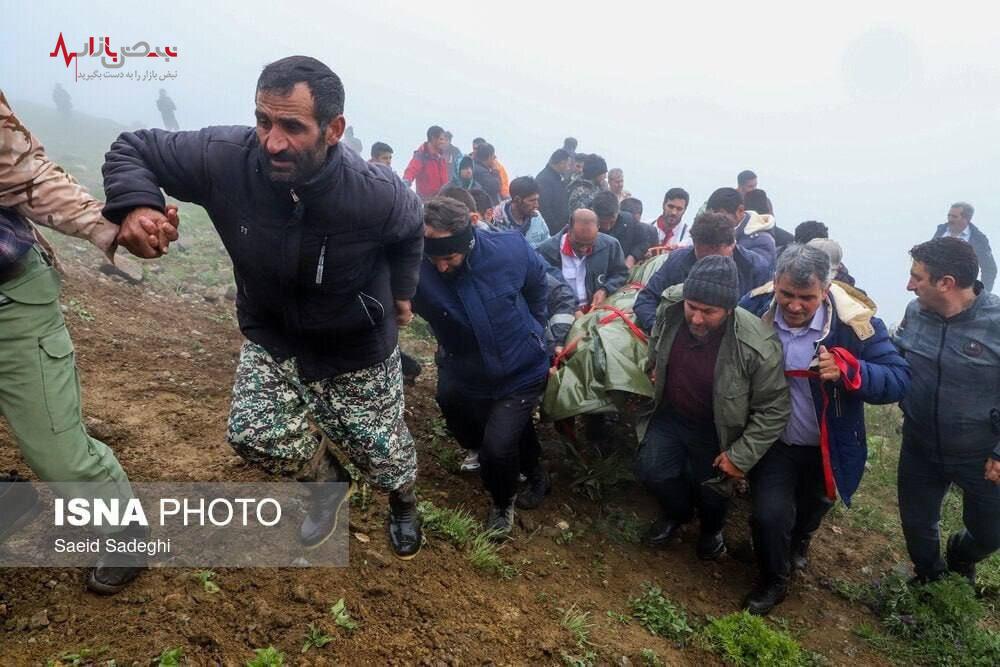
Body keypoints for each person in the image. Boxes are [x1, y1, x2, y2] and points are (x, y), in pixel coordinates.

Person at [102, 55, 425, 560]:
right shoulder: (224, 157)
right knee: (256, 435)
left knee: (382, 453)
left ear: (333, 129)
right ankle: (326, 485)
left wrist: (403, 291)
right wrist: (137, 204)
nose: (272, 141)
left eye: (292, 127)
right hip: (271, 333)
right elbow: (134, 148)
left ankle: (402, 500)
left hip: (355, 344)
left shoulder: (376, 194)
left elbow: (411, 230)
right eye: (263, 120)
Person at [0, 91, 180, 594]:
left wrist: (114, 226)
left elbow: (28, 175)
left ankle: (125, 534)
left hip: (9, 301)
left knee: (58, 453)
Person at [740, 244, 909, 615]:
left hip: (827, 444)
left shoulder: (855, 326)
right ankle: (774, 580)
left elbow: (898, 379)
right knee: (768, 515)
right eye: (786, 295)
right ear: (775, 284)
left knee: (814, 505)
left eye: (807, 298)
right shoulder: (754, 310)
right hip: (773, 440)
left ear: (826, 290)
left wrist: (853, 372)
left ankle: (801, 540)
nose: (795, 306)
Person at [412, 198, 551, 536]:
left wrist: (535, 325)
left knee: (499, 447)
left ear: (468, 238)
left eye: (450, 258)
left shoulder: (509, 250)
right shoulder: (413, 266)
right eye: (435, 258)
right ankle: (502, 455)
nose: (442, 267)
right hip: (464, 369)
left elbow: (538, 283)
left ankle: (504, 500)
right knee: (454, 406)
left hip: (520, 367)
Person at [636, 256, 789, 561]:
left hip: (718, 427)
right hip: (672, 414)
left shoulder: (757, 343)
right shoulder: (672, 306)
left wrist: (741, 456)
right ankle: (677, 515)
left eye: (709, 312)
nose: (696, 319)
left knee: (713, 488)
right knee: (652, 470)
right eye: (692, 307)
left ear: (730, 309)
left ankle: (711, 531)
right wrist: (652, 368)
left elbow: (774, 409)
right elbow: (657, 341)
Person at [894, 237, 1000, 586]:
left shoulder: (996, 322)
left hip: (980, 456)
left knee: (990, 532)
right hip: (920, 445)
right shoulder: (915, 313)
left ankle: (962, 554)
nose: (909, 286)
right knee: (917, 525)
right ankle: (932, 580)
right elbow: (897, 355)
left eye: (917, 278)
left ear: (946, 283)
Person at [634, 212, 771, 332]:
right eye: (703, 259)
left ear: (732, 244)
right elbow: (646, 299)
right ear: (694, 244)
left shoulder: (756, 269)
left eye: (716, 258)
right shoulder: (678, 260)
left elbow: (763, 320)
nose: (709, 267)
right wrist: (661, 332)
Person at [536, 208, 629, 314]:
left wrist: (605, 290)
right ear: (569, 229)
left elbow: (621, 274)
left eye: (589, 244)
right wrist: (572, 309)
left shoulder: (611, 245)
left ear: (598, 229)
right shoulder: (547, 251)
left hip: (598, 311)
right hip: (562, 311)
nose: (583, 249)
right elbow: (544, 288)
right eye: (578, 244)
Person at [705, 187, 777, 270]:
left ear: (740, 211)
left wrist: (732, 248)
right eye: (711, 217)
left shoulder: (762, 239)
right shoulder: (713, 234)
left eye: (721, 217)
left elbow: (761, 269)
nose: (716, 222)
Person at [932, 202, 996, 292]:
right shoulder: (940, 232)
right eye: (949, 216)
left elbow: (989, 269)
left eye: (954, 217)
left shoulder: (978, 240)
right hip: (937, 289)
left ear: (966, 219)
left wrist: (983, 295)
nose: (950, 219)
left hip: (961, 293)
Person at [590, 190, 648, 267]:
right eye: (602, 223)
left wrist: (632, 258)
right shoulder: (587, 226)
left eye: (611, 222)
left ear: (618, 212)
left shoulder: (629, 220)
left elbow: (643, 242)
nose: (607, 227)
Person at [492, 176, 550, 248]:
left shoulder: (537, 216)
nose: (537, 205)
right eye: (531, 200)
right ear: (517, 200)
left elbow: (548, 244)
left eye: (537, 200)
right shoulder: (496, 222)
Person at [403, 125, 450, 199]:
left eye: (443, 139)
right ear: (433, 138)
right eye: (441, 139)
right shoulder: (421, 156)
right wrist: (406, 182)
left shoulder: (441, 157)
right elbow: (411, 170)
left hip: (442, 199)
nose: (443, 142)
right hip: (426, 202)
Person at [536, 149, 571, 235]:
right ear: (562, 163)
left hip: (560, 227)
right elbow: (544, 207)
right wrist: (556, 227)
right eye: (568, 164)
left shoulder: (557, 178)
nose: (568, 167)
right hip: (552, 230)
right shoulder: (544, 179)